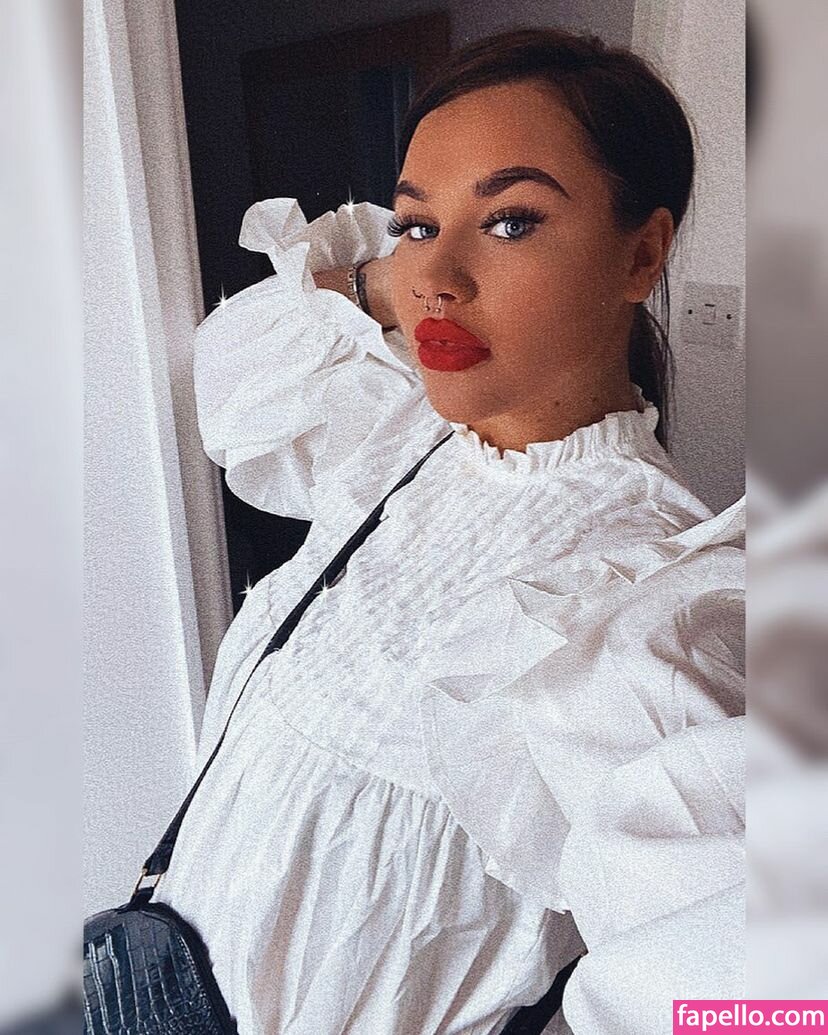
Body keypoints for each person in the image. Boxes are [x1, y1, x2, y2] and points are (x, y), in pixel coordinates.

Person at [154, 28, 745, 1035]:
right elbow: (230, 379)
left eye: (511, 222)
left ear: (642, 254)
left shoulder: (649, 593)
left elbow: (747, 991)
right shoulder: (400, 430)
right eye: (418, 222)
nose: (439, 277)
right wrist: (390, 276)